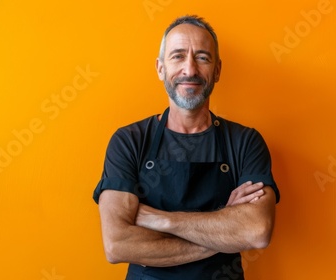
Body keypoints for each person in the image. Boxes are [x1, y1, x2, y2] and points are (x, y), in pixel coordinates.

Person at [93, 15, 280, 280]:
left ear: (217, 70)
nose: (190, 70)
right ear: (160, 68)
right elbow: (117, 244)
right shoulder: (129, 141)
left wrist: (161, 220)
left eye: (202, 57)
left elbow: (257, 231)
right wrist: (225, 226)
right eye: (178, 56)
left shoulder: (245, 142)